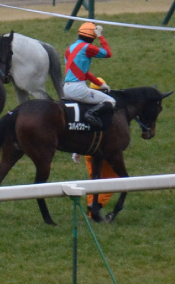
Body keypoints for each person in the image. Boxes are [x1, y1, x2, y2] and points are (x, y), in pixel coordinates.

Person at [71, 78, 119, 213]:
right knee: (116, 178)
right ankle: (96, 204)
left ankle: (91, 210)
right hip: (104, 150)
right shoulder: (105, 108)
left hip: (88, 150)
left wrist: (76, 150)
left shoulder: (83, 107)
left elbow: (78, 129)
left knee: (93, 179)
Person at [63, 22, 114, 128]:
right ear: (92, 37)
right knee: (110, 101)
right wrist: (100, 36)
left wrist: (99, 84)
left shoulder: (69, 49)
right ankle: (91, 114)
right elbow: (108, 53)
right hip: (78, 89)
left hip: (66, 89)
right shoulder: (88, 48)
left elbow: (85, 73)